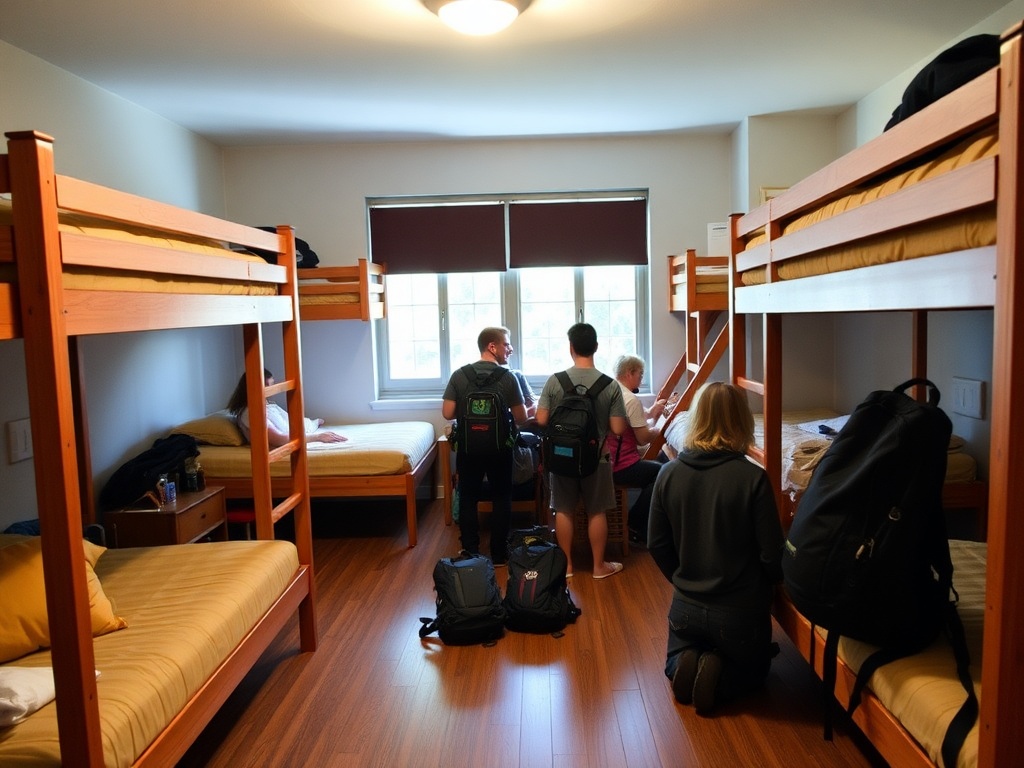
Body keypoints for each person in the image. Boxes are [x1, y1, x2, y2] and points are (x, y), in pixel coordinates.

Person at [647, 381, 783, 715]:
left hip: (685, 609)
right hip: (739, 612)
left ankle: (684, 663)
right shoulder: (753, 479)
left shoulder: (667, 474)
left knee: (674, 659)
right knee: (756, 671)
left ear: (696, 419)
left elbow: (657, 544)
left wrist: (683, 579)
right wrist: (771, 587)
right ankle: (720, 673)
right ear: (742, 422)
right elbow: (771, 555)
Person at [536, 323, 627, 580]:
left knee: (563, 509)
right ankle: (598, 567)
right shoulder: (609, 385)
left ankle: (566, 567)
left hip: (562, 456)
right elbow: (618, 428)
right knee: (596, 510)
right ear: (596, 347)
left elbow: (541, 419)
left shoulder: (556, 381)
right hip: (596, 458)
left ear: (571, 348)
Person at [442, 326, 528, 565]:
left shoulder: (460, 375)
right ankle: (499, 554)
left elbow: (448, 413)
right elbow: (520, 418)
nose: (509, 349)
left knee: (468, 497)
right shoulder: (507, 377)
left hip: (469, 449)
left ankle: (470, 552)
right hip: (500, 449)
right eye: (506, 344)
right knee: (502, 497)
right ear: (492, 346)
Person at [606, 354, 668, 546]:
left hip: (608, 462)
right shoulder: (630, 399)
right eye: (640, 375)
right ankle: (635, 524)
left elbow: (633, 424)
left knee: (660, 463)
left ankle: (638, 524)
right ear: (629, 373)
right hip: (620, 466)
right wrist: (660, 429)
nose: (641, 379)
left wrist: (652, 414)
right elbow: (642, 439)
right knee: (664, 474)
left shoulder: (610, 390)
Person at [227, 369, 347, 446]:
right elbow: (278, 438)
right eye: (268, 387)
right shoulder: (251, 413)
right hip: (289, 439)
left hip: (297, 431)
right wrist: (318, 437)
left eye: (272, 385)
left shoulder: (266, 405)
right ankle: (313, 424)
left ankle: (312, 423)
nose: (272, 390)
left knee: (310, 423)